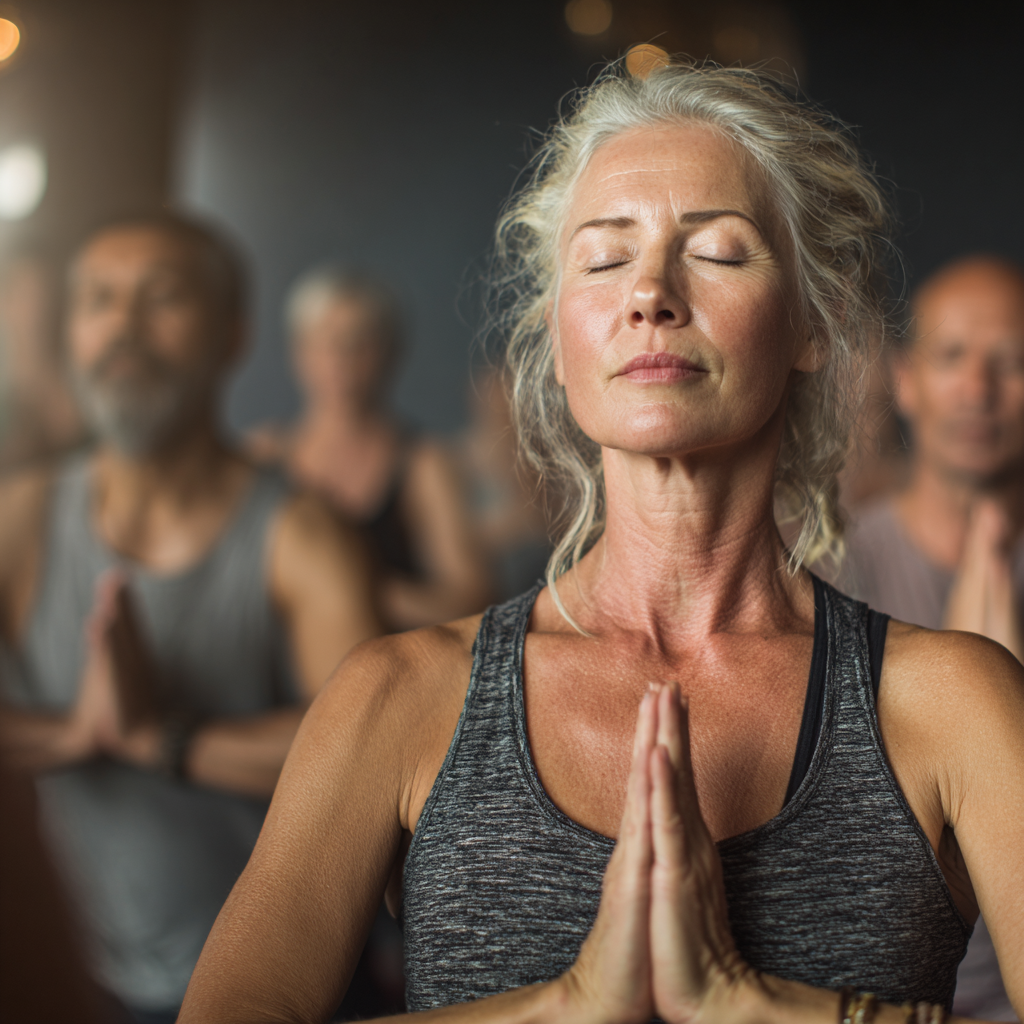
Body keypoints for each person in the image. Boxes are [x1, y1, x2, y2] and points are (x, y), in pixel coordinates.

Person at [179, 62, 1024, 1024]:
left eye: (718, 251)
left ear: (811, 321)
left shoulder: (953, 706)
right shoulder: (399, 699)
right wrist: (567, 1006)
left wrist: (760, 1010)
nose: (651, 294)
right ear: (558, 331)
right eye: (605, 258)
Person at [0, 213, 380, 1023]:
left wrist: (163, 739)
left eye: (161, 297)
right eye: (99, 300)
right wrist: (76, 735)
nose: (123, 328)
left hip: (288, 992)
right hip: (90, 983)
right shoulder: (23, 519)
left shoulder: (300, 534)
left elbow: (369, 757)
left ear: (232, 334)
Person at [844, 256, 1024, 1021]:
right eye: (952, 357)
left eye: (1012, 362)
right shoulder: (829, 571)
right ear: (906, 381)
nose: (979, 390)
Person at [249, 267, 491, 630]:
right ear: (299, 353)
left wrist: (349, 592)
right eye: (326, 342)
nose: (342, 360)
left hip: (391, 675)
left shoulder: (423, 462)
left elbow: (477, 601)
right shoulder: (262, 456)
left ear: (391, 353)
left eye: (360, 342)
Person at [457, 367, 551, 601]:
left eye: (510, 403)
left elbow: (549, 525)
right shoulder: (458, 462)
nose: (502, 412)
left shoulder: (545, 459)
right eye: (495, 403)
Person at [0, 253, 85, 469]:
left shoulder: (86, 385)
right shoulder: (8, 403)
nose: (39, 309)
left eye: (45, 294)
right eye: (23, 295)